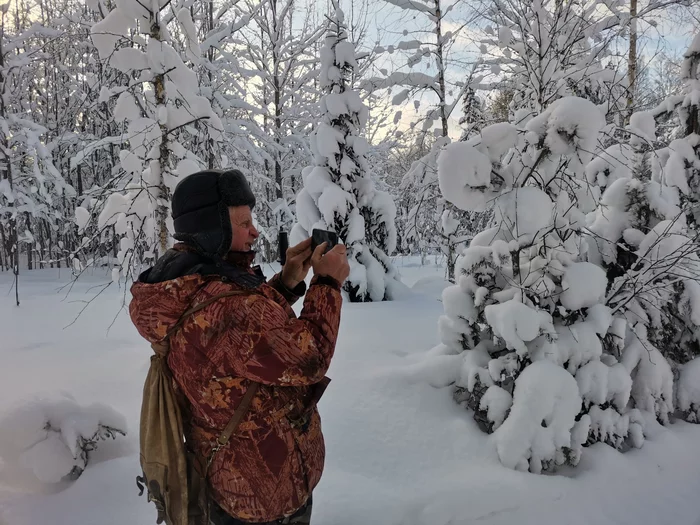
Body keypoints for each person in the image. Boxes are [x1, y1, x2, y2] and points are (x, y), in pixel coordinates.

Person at [129, 169, 349, 525]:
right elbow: (309, 358)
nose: (255, 231)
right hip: (265, 497)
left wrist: (286, 283)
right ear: (211, 227)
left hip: (227, 482)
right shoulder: (232, 307)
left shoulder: (187, 281)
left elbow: (241, 343)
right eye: (243, 222)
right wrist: (327, 283)